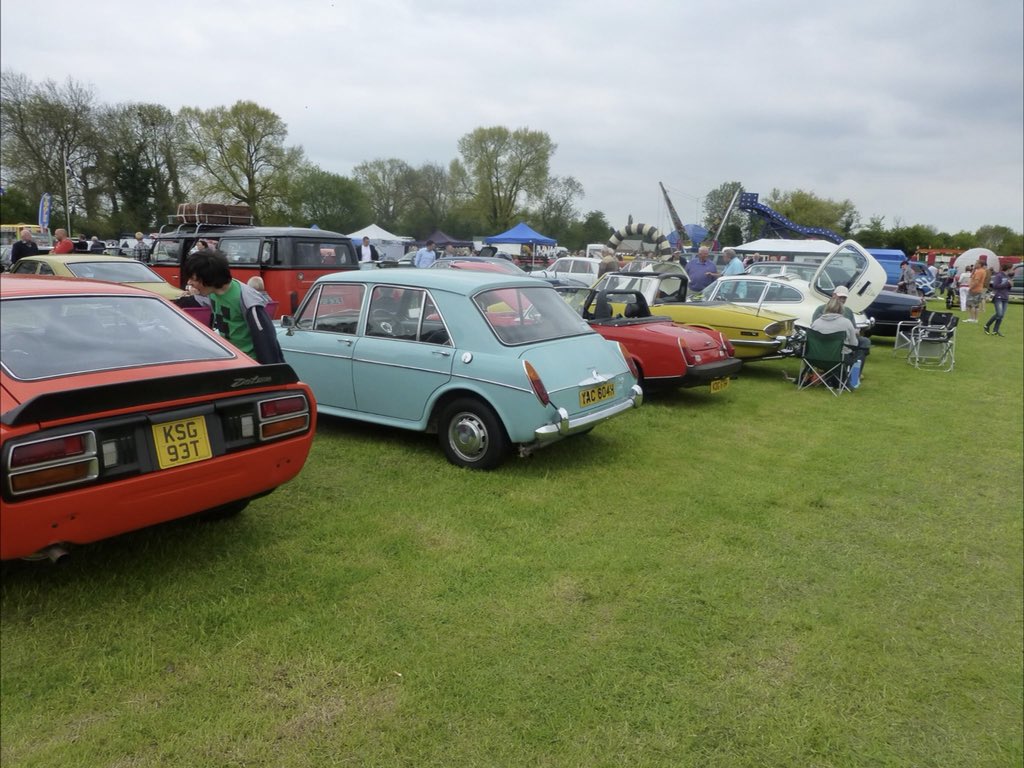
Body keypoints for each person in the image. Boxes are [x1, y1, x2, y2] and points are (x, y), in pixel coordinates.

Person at [183, 249, 284, 364]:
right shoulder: (211, 293)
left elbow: (266, 339)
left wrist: (269, 370)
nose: (189, 282)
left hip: (250, 364)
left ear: (208, 277)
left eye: (193, 278)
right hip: (230, 360)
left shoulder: (247, 299)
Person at [984, 263, 1013, 336]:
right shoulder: (999, 275)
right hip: (998, 297)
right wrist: (1006, 283)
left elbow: (1008, 288)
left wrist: (1010, 285)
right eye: (1011, 269)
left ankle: (995, 330)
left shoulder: (1008, 276)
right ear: (1008, 269)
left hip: (1005, 297)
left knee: (1001, 315)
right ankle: (987, 325)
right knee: (999, 314)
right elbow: (995, 286)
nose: (1012, 270)